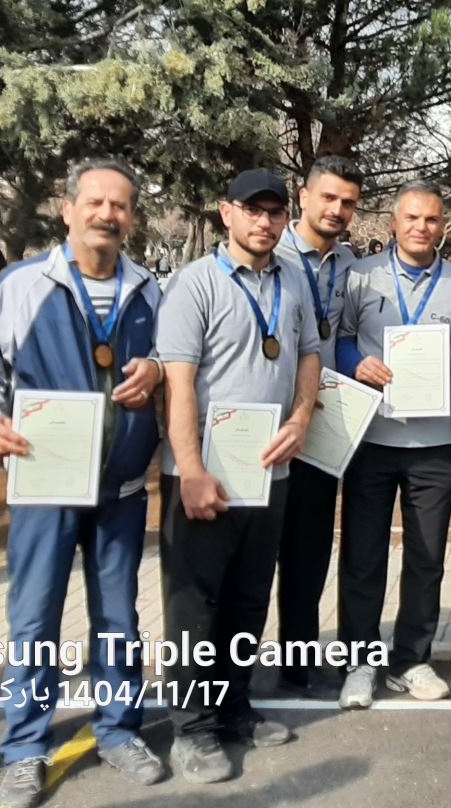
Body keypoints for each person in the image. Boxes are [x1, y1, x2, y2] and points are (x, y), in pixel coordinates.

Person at [0, 159, 168, 807]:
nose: (107, 214)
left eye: (119, 205)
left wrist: (157, 368)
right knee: (34, 619)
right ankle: (24, 748)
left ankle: (119, 730)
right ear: (68, 209)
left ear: (132, 218)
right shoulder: (23, 284)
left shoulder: (149, 291)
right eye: (94, 202)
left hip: (120, 491)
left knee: (119, 620)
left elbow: (177, 363)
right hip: (45, 486)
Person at [155, 169, 322, 783]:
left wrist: (301, 418)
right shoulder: (194, 284)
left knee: (249, 598)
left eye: (275, 212)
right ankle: (192, 729)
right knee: (194, 605)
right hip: (205, 473)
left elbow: (309, 354)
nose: (265, 222)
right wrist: (191, 471)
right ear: (226, 213)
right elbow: (177, 385)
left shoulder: (293, 279)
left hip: (267, 471)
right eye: (253, 210)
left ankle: (233, 708)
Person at [335, 183, 451, 706]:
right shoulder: (360, 276)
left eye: (432, 219)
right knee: (363, 555)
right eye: (412, 218)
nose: (421, 227)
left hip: (435, 442)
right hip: (372, 436)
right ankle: (359, 661)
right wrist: (356, 364)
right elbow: (341, 339)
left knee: (427, 558)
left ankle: (412, 659)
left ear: (443, 227)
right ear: (393, 223)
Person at [272, 156, 361, 700]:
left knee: (309, 555)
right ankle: (225, 669)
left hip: (324, 430)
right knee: (255, 556)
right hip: (272, 428)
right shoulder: (272, 256)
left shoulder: (350, 264)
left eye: (348, 202)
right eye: (327, 197)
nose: (337, 210)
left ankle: (297, 664)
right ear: (302, 197)